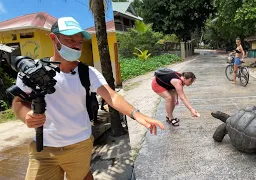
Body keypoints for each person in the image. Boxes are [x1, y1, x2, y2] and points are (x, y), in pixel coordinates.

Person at [12, 17, 165, 180]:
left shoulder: (88, 73)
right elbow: (18, 101)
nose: (76, 45)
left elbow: (111, 96)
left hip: (79, 145)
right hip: (43, 148)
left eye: (79, 42)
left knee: (83, 176)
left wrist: (137, 114)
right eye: (70, 40)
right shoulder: (32, 71)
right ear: (53, 38)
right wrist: (25, 115)